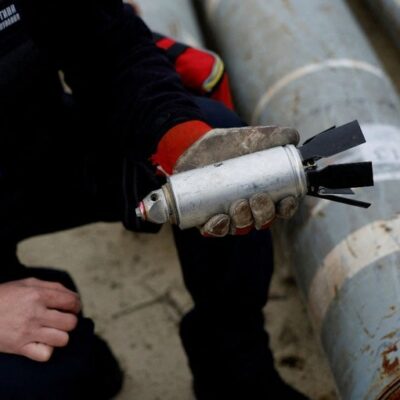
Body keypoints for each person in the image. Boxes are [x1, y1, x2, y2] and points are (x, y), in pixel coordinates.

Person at [0, 0, 309, 398]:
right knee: (51, 379)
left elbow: (109, 48)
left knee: (225, 170)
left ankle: (233, 369)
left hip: (36, 152)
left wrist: (178, 137)